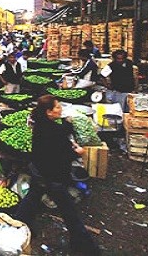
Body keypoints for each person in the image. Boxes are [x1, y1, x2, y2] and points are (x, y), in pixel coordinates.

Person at [12, 95, 101, 256]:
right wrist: (77, 152)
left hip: (40, 172)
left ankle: (15, 226)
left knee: (32, 199)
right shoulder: (52, 131)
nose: (60, 109)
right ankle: (83, 244)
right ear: (49, 112)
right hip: (52, 177)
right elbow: (62, 154)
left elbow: (59, 138)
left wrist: (67, 127)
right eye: (57, 107)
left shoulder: (41, 125)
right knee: (69, 212)